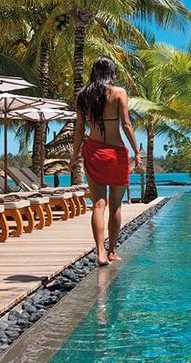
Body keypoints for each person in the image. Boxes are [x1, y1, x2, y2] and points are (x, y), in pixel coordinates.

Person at [70, 57, 141, 266]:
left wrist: (74, 156)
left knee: (98, 205)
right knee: (116, 206)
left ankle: (100, 252)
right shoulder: (119, 93)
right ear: (112, 73)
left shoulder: (83, 96)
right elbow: (126, 124)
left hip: (93, 151)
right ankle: (111, 251)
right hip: (116, 153)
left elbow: (79, 129)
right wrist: (137, 151)